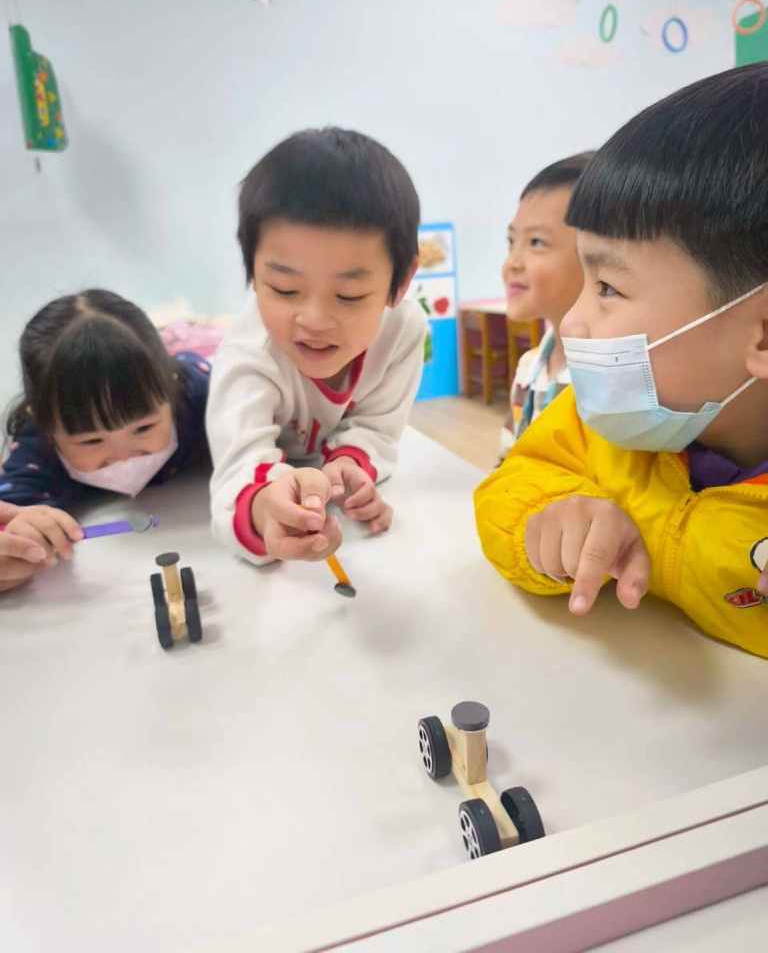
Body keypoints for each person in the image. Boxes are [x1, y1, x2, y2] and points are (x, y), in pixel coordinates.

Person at [475, 62, 768, 658]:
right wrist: (547, 517)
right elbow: (513, 481)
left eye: (608, 287)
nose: (574, 321)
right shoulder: (603, 425)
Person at [207, 127, 426, 565]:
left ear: (400, 282)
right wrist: (265, 509)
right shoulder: (249, 353)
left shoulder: (403, 331)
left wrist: (349, 464)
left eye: (348, 295)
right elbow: (237, 472)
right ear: (253, 274)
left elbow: (377, 427)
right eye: (284, 289)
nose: (314, 320)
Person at [0, 289, 210, 590]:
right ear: (45, 425)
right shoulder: (38, 441)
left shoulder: (200, 396)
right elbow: (14, 505)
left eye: (143, 428)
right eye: (91, 441)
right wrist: (21, 536)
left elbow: (258, 431)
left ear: (171, 388)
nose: (124, 455)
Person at [498, 152, 593, 460]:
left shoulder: (605, 384)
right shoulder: (529, 367)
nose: (512, 262)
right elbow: (507, 462)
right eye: (511, 241)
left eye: (536, 242)